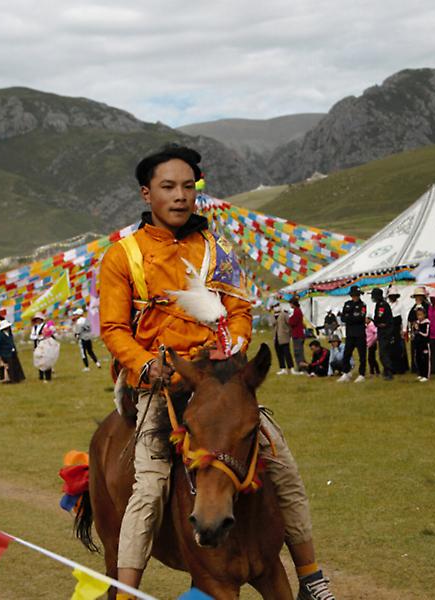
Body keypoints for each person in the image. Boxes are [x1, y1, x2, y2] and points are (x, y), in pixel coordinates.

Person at [99, 144, 333, 599]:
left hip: (219, 379)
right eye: (169, 187)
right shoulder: (122, 255)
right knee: (147, 487)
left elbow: (239, 309)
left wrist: (235, 343)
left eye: (189, 186)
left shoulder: (217, 248)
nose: (181, 196)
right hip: (161, 380)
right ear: (147, 194)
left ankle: (311, 576)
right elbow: (112, 328)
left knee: (282, 463)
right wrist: (148, 365)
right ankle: (125, 591)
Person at [386, 288, 408, 375]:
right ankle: (392, 367)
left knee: (399, 348)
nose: (392, 297)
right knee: (390, 349)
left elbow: (404, 318)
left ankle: (401, 368)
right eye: (391, 296)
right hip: (389, 329)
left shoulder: (401, 305)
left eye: (394, 296)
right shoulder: (387, 305)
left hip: (397, 328)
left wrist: (404, 329)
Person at [0, 319, 25, 383]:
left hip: (12, 352)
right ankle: (11, 379)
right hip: (6, 353)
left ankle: (18, 378)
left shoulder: (10, 333)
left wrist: (15, 349)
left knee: (16, 365)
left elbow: (12, 342)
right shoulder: (0, 335)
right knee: (10, 367)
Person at [33, 315, 59, 382]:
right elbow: (32, 336)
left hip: (45, 349)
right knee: (41, 362)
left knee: (46, 362)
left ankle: (47, 377)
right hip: (40, 345)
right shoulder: (35, 327)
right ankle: (42, 376)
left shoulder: (45, 327)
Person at [273, 303, 295, 375]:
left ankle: (291, 368)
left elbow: (289, 324)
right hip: (276, 338)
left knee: (287, 353)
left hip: (284, 337)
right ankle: (282, 368)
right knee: (279, 354)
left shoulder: (284, 315)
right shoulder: (274, 316)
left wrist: (289, 334)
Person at [411, 306, 431, 382]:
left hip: (425, 344)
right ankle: (420, 374)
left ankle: (426, 375)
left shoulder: (427, 323)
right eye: (418, 315)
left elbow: (426, 334)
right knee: (418, 358)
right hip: (418, 344)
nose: (419, 317)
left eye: (421, 315)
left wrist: (418, 330)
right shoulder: (417, 323)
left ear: (424, 315)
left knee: (425, 359)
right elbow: (414, 333)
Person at [289, 297, 307, 371]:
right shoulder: (298, 311)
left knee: (298, 352)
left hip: (297, 334)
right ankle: (301, 366)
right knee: (298, 351)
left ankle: (302, 367)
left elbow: (292, 322)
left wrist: (289, 319)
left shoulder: (296, 311)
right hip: (298, 334)